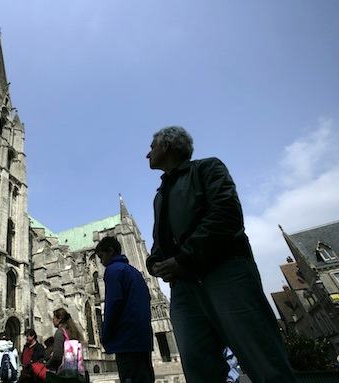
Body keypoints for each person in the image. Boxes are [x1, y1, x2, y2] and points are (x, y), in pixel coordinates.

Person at [145, 126, 298, 383]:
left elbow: (226, 215)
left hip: (224, 273)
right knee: (198, 365)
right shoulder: (160, 195)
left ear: (167, 146)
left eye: (152, 146)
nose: (146, 153)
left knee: (261, 358)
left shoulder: (207, 168)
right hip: (184, 287)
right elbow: (160, 240)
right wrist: (154, 262)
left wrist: (183, 259)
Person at [95, 236, 155, 383]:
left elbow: (113, 304)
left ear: (110, 251)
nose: (101, 262)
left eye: (101, 257)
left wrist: (106, 334)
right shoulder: (134, 271)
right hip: (142, 339)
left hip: (126, 340)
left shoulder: (113, 270)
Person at [47, 308, 82, 374]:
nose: (52, 320)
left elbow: (57, 356)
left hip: (64, 372)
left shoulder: (60, 332)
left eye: (54, 318)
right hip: (76, 370)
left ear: (59, 319)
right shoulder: (72, 332)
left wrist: (46, 365)